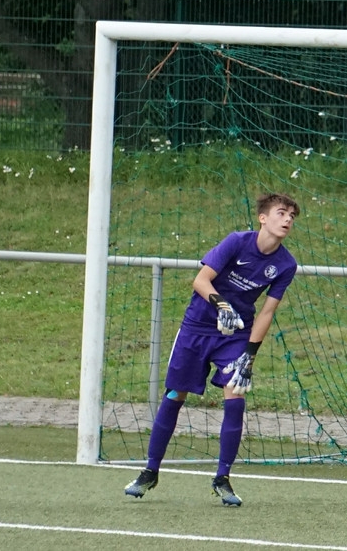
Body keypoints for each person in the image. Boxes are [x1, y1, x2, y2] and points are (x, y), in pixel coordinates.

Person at [124, 192, 301, 506]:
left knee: (236, 395)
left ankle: (223, 478)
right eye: (281, 213)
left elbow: (267, 312)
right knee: (174, 394)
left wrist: (249, 355)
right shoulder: (236, 242)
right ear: (263, 218)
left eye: (291, 216)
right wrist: (221, 305)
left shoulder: (286, 264)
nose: (287, 219)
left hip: (236, 334)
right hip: (197, 326)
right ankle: (150, 471)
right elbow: (201, 280)